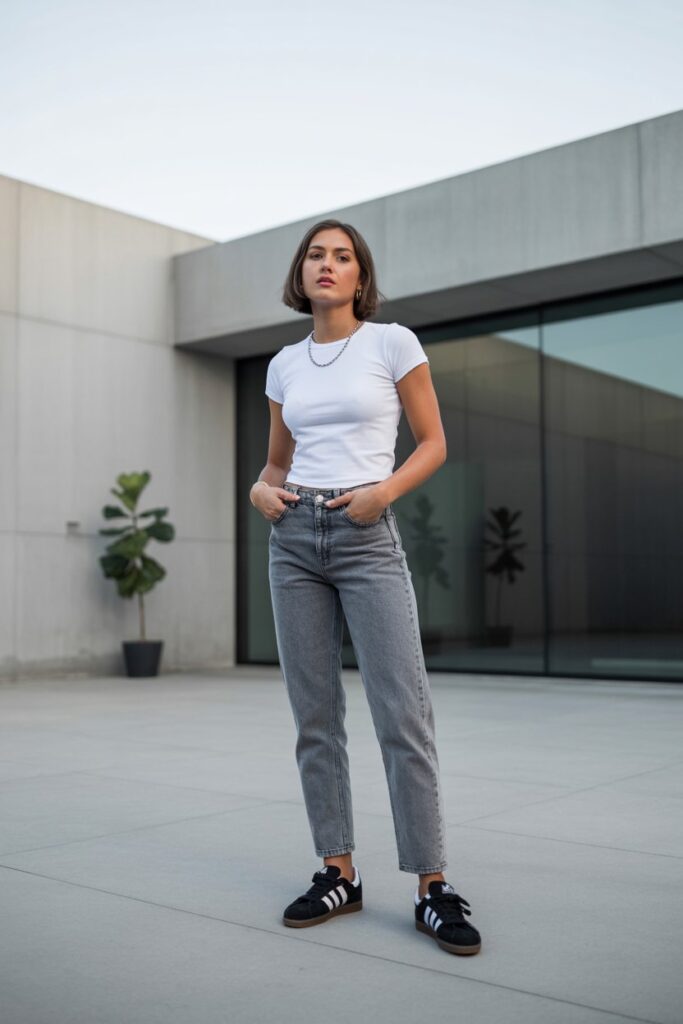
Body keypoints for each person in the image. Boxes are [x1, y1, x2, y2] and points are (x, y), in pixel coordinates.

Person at [249, 218, 482, 957]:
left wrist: (382, 495)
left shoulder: (392, 343)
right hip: (293, 541)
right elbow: (276, 465)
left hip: (363, 531)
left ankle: (432, 886)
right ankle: (338, 872)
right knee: (314, 715)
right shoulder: (283, 364)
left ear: (359, 276)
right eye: (316, 254)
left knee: (400, 711)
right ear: (302, 272)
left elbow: (434, 443)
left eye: (342, 256)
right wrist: (259, 490)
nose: (328, 264)